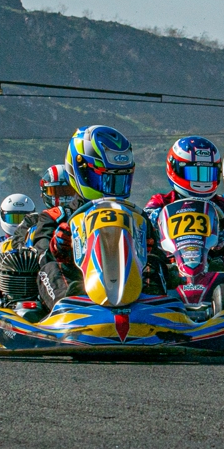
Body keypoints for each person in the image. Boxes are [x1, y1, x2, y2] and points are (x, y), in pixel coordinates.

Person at [36, 125, 165, 310]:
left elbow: (161, 258)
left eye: (120, 180)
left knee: (155, 262)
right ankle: (68, 310)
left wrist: (146, 249)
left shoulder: (137, 217)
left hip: (135, 293)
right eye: (106, 179)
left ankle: (158, 310)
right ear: (82, 172)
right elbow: (40, 258)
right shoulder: (56, 217)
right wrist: (56, 248)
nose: (113, 188)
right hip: (80, 292)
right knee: (48, 269)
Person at [145, 136, 224, 264]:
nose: (202, 180)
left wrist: (223, 240)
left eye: (207, 173)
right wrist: (153, 222)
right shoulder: (160, 202)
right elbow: (141, 236)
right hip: (170, 269)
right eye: (194, 173)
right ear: (175, 169)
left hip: (213, 269)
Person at [10, 165, 79, 254]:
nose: (61, 196)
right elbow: (17, 241)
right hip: (41, 264)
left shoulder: (83, 214)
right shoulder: (32, 220)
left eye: (67, 190)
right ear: (43, 193)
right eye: (55, 191)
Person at [0, 193, 35, 276]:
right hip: (0, 286)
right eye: (13, 218)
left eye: (22, 219)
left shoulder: (36, 242)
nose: (19, 224)